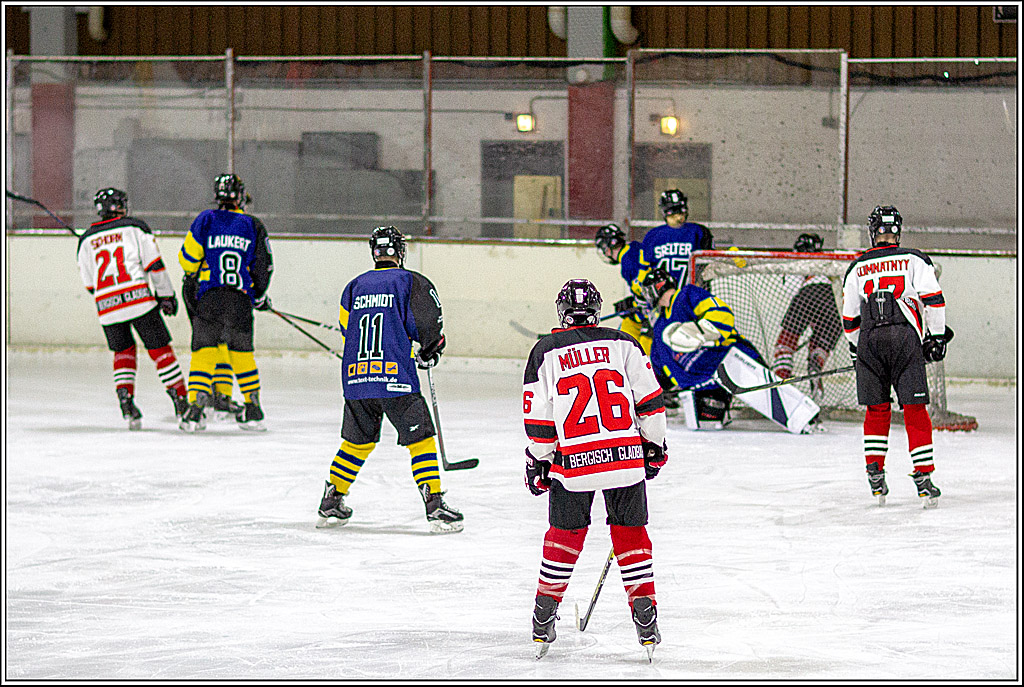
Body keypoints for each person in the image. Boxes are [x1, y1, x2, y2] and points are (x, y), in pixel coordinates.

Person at [523, 279, 667, 659]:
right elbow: (651, 402)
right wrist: (653, 446)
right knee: (631, 532)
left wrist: (539, 460)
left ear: (562, 312)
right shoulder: (624, 343)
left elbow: (538, 423)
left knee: (565, 535)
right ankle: (645, 614)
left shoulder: (545, 351)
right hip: (625, 457)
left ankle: (543, 614)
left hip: (573, 462)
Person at [316, 226, 463, 534]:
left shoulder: (354, 286)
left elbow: (346, 328)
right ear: (401, 251)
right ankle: (434, 503)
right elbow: (428, 325)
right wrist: (431, 350)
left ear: (374, 252)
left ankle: (331, 499)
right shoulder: (410, 281)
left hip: (356, 379)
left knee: (356, 442)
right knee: (420, 438)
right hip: (395, 377)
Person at [842, 206, 951, 508]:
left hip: (869, 341)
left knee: (877, 410)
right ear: (898, 230)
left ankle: (875, 475)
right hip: (904, 339)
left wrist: (855, 349)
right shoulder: (914, 258)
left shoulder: (856, 267)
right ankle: (924, 480)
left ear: (872, 231)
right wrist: (936, 337)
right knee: (915, 409)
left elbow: (850, 319)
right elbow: (934, 300)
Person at [640, 267, 820, 434]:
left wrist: (702, 332)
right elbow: (660, 367)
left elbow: (721, 312)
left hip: (729, 357)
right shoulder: (660, 326)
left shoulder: (686, 295)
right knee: (707, 422)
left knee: (767, 391)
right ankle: (720, 403)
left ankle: (806, 415)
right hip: (705, 382)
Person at [76, 188, 189, 429]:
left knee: (123, 352)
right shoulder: (135, 227)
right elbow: (154, 264)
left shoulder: (86, 239)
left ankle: (126, 404)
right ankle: (180, 401)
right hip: (139, 300)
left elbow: (89, 284)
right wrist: (166, 295)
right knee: (160, 351)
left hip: (106, 307)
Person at [177, 173, 274, 432]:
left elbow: (188, 260)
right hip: (240, 300)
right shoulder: (253, 225)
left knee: (204, 352)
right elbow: (264, 267)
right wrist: (258, 295)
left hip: (210, 298)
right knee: (242, 354)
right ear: (240, 196)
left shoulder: (206, 219)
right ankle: (253, 410)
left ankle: (195, 411)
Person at [771, 233, 843, 397]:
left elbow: (792, 289)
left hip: (808, 293)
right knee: (819, 345)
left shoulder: (799, 262)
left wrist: (807, 314)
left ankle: (782, 377)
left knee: (787, 340)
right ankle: (815, 364)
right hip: (834, 302)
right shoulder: (829, 259)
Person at [181, 261, 243, 419]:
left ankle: (208, 395)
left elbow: (186, 257)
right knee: (218, 341)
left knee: (208, 342)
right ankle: (217, 396)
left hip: (200, 288)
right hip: (211, 289)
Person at [633, 189, 714, 296]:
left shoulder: (700, 232)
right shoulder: (652, 236)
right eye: (674, 214)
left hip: (690, 300)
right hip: (666, 301)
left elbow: (710, 265)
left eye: (680, 213)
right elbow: (644, 271)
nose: (678, 217)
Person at [594, 223, 651, 354]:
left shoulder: (627, 263)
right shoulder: (634, 247)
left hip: (655, 313)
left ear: (607, 248)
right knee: (626, 327)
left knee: (630, 346)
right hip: (656, 305)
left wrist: (635, 305)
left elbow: (645, 290)